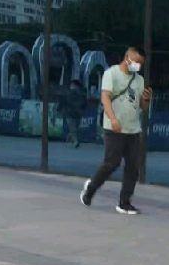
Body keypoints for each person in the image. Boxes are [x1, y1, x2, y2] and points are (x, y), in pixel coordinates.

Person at [79, 46, 151, 216]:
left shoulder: (139, 80)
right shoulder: (111, 74)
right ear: (127, 58)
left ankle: (124, 202)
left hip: (133, 129)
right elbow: (105, 97)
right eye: (136, 62)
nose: (138, 66)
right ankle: (91, 188)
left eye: (141, 64)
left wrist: (147, 99)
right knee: (111, 163)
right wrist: (112, 118)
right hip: (114, 127)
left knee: (133, 167)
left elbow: (143, 107)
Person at [64, 79, 86, 148]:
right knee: (73, 128)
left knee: (74, 128)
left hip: (74, 113)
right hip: (72, 113)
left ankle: (70, 137)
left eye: (73, 85)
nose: (72, 86)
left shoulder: (78, 94)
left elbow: (83, 102)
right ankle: (75, 142)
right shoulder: (71, 93)